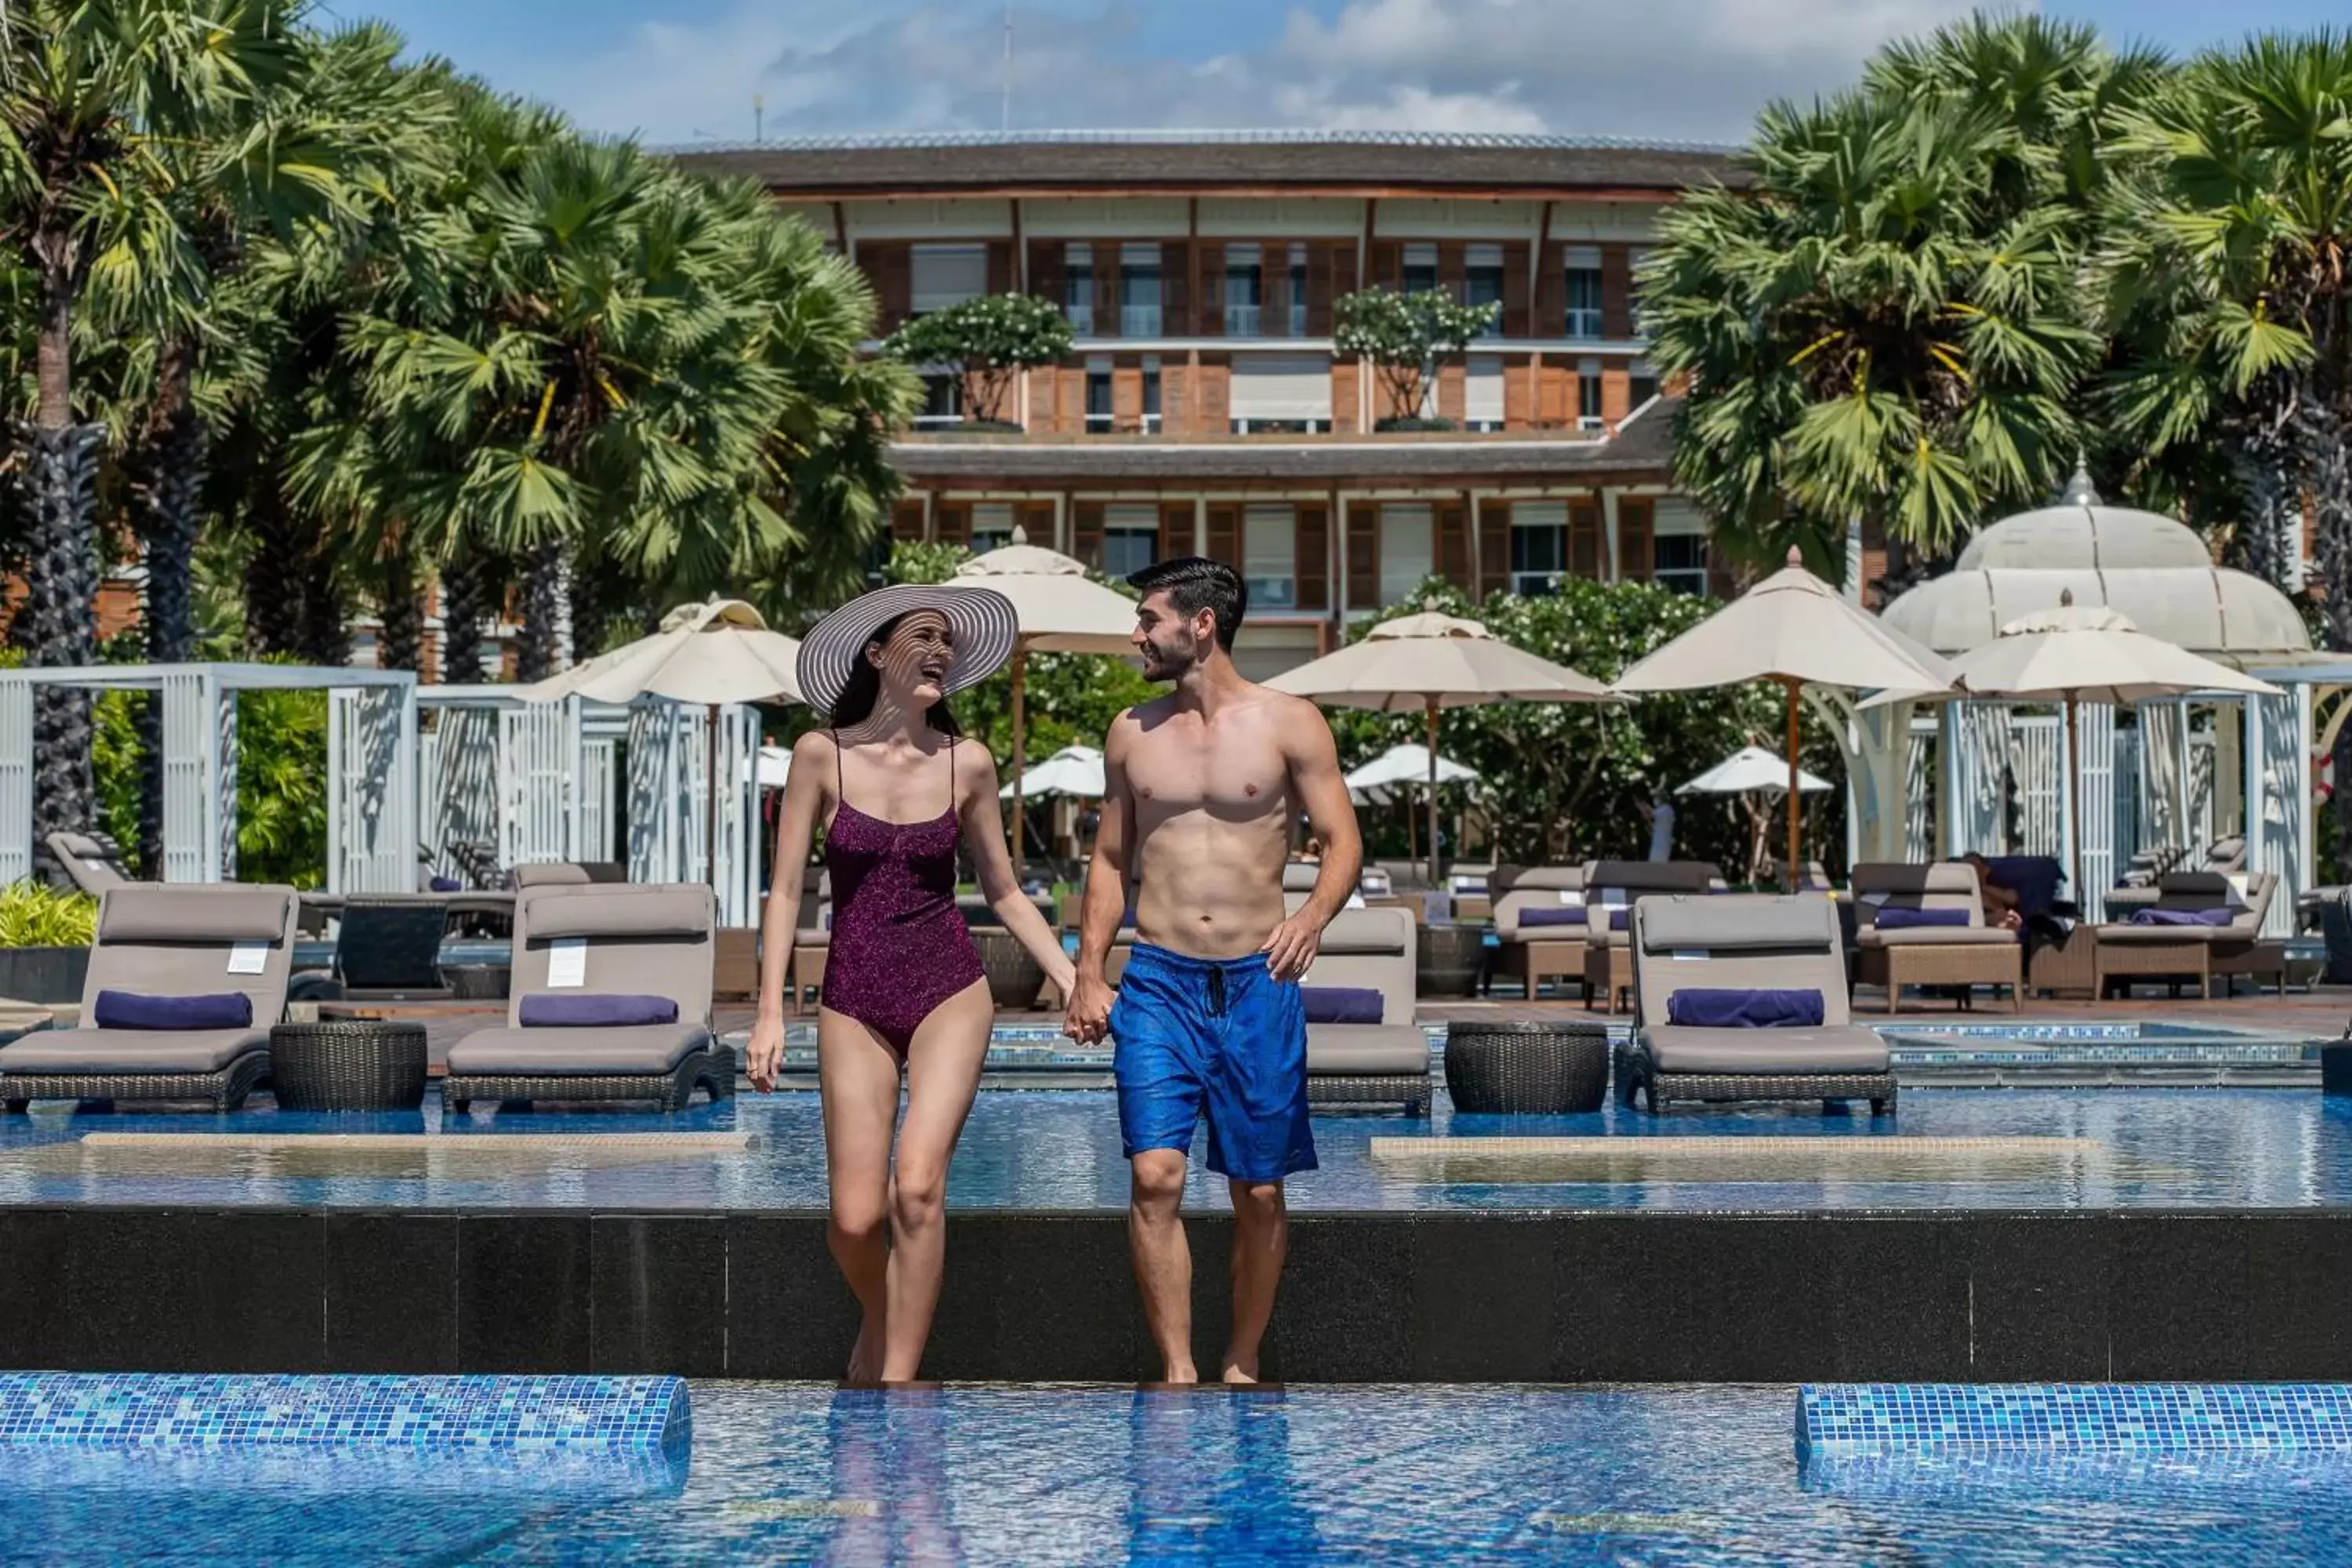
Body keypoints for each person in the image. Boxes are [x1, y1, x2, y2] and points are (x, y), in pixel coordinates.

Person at [744, 584, 1075, 1385]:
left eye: (949, 641)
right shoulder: (822, 753)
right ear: (875, 653)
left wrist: (1073, 975)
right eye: (924, 635)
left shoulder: (969, 763)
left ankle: (899, 1384)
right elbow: (786, 890)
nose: (941, 650)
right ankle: (888, 1327)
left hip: (949, 987)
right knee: (854, 1222)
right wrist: (767, 1013)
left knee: (918, 1187)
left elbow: (1001, 891)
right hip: (853, 992)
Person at [1064, 557, 1362, 1385]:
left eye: (1147, 618)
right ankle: (1176, 1368)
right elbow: (1110, 858)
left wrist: (1309, 919)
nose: (1135, 635)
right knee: (1155, 1174)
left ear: (1200, 624)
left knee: (1258, 1190)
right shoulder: (1132, 731)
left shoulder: (1290, 723)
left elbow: (1344, 841)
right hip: (1157, 979)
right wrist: (1088, 971)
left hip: (1256, 980)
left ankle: (1241, 1354)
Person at [1958, 851, 2025, 931]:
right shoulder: (1955, 892)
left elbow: (2012, 898)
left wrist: (1981, 887)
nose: (1971, 870)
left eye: (1975, 866)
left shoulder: (1994, 891)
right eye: (1966, 867)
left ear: (1986, 870)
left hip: (1995, 926)